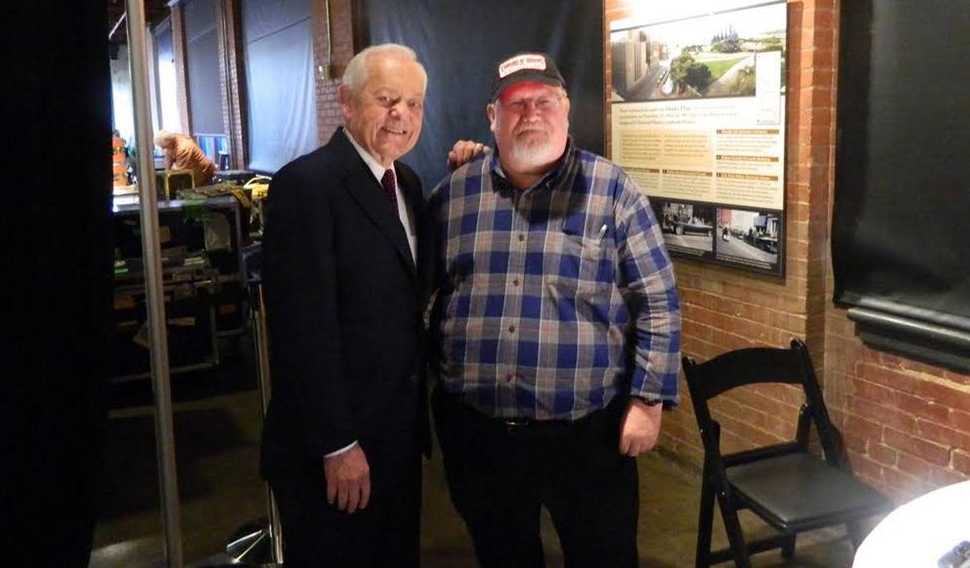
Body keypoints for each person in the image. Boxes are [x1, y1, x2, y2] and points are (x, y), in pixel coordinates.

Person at [428, 51, 681, 568]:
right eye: (515, 104)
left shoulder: (613, 192)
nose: (531, 113)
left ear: (566, 110)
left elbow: (657, 301)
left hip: (587, 436)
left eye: (544, 101)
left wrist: (649, 400)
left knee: (603, 557)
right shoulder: (453, 195)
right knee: (502, 555)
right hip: (480, 435)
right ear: (492, 118)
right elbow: (423, 296)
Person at [260, 44, 431, 568]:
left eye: (414, 103)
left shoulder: (408, 183)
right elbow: (301, 329)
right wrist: (338, 445)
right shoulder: (306, 186)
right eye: (386, 99)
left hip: (395, 438)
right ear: (348, 103)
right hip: (333, 449)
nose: (401, 114)